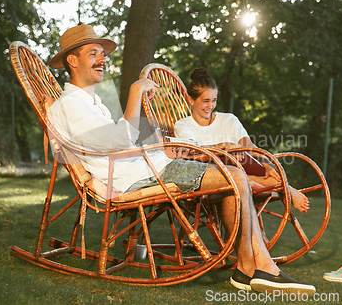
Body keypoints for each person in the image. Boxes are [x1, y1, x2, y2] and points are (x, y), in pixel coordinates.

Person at [47, 24, 316, 294]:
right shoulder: (71, 105)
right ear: (72, 60)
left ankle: (249, 269)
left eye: (102, 53)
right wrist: (135, 91)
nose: (103, 59)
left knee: (233, 180)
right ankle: (261, 268)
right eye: (94, 53)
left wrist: (160, 148)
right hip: (137, 178)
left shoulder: (93, 103)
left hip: (150, 166)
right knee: (234, 177)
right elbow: (120, 140)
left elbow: (115, 143)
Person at [174, 67, 310, 214]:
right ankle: (286, 189)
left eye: (214, 100)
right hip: (210, 174)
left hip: (240, 167)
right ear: (190, 99)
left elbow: (248, 146)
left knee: (249, 162)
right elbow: (193, 153)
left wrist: (266, 164)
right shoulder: (182, 125)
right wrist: (225, 147)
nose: (210, 106)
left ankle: (256, 183)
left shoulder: (229, 119)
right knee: (228, 158)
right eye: (205, 101)